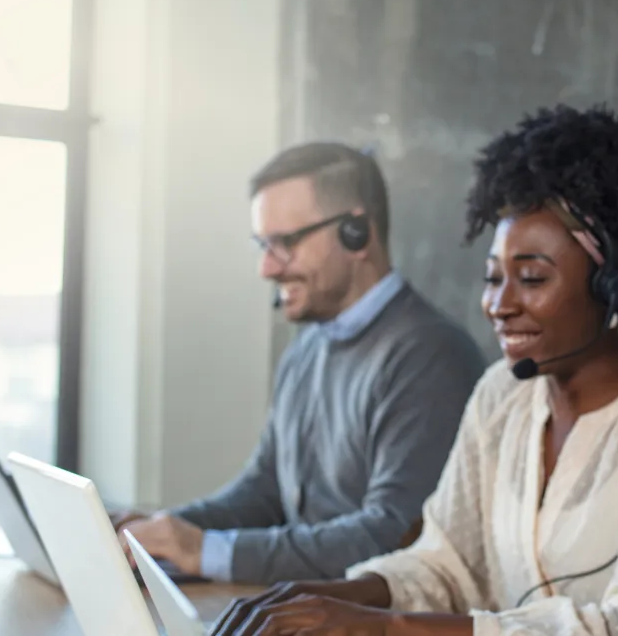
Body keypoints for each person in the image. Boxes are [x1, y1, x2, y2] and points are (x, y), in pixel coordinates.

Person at [209, 105, 618, 636]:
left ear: (610, 286)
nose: (498, 305)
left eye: (530, 278)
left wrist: (384, 627)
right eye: (492, 277)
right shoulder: (500, 396)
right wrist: (318, 596)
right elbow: (443, 561)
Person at [114, 143, 486, 585]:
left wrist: (202, 550)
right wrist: (156, 531)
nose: (266, 268)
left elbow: (393, 537)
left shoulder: (430, 355)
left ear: (357, 233)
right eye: (262, 245)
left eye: (285, 243)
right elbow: (265, 492)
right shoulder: (306, 349)